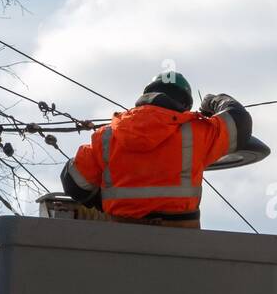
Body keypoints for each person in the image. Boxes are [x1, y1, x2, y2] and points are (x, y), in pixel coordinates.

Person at [60, 72, 251, 228]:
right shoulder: (196, 133)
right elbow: (239, 124)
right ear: (185, 105)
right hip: (180, 241)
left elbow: (73, 181)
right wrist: (213, 101)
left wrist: (107, 203)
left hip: (121, 238)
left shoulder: (107, 137)